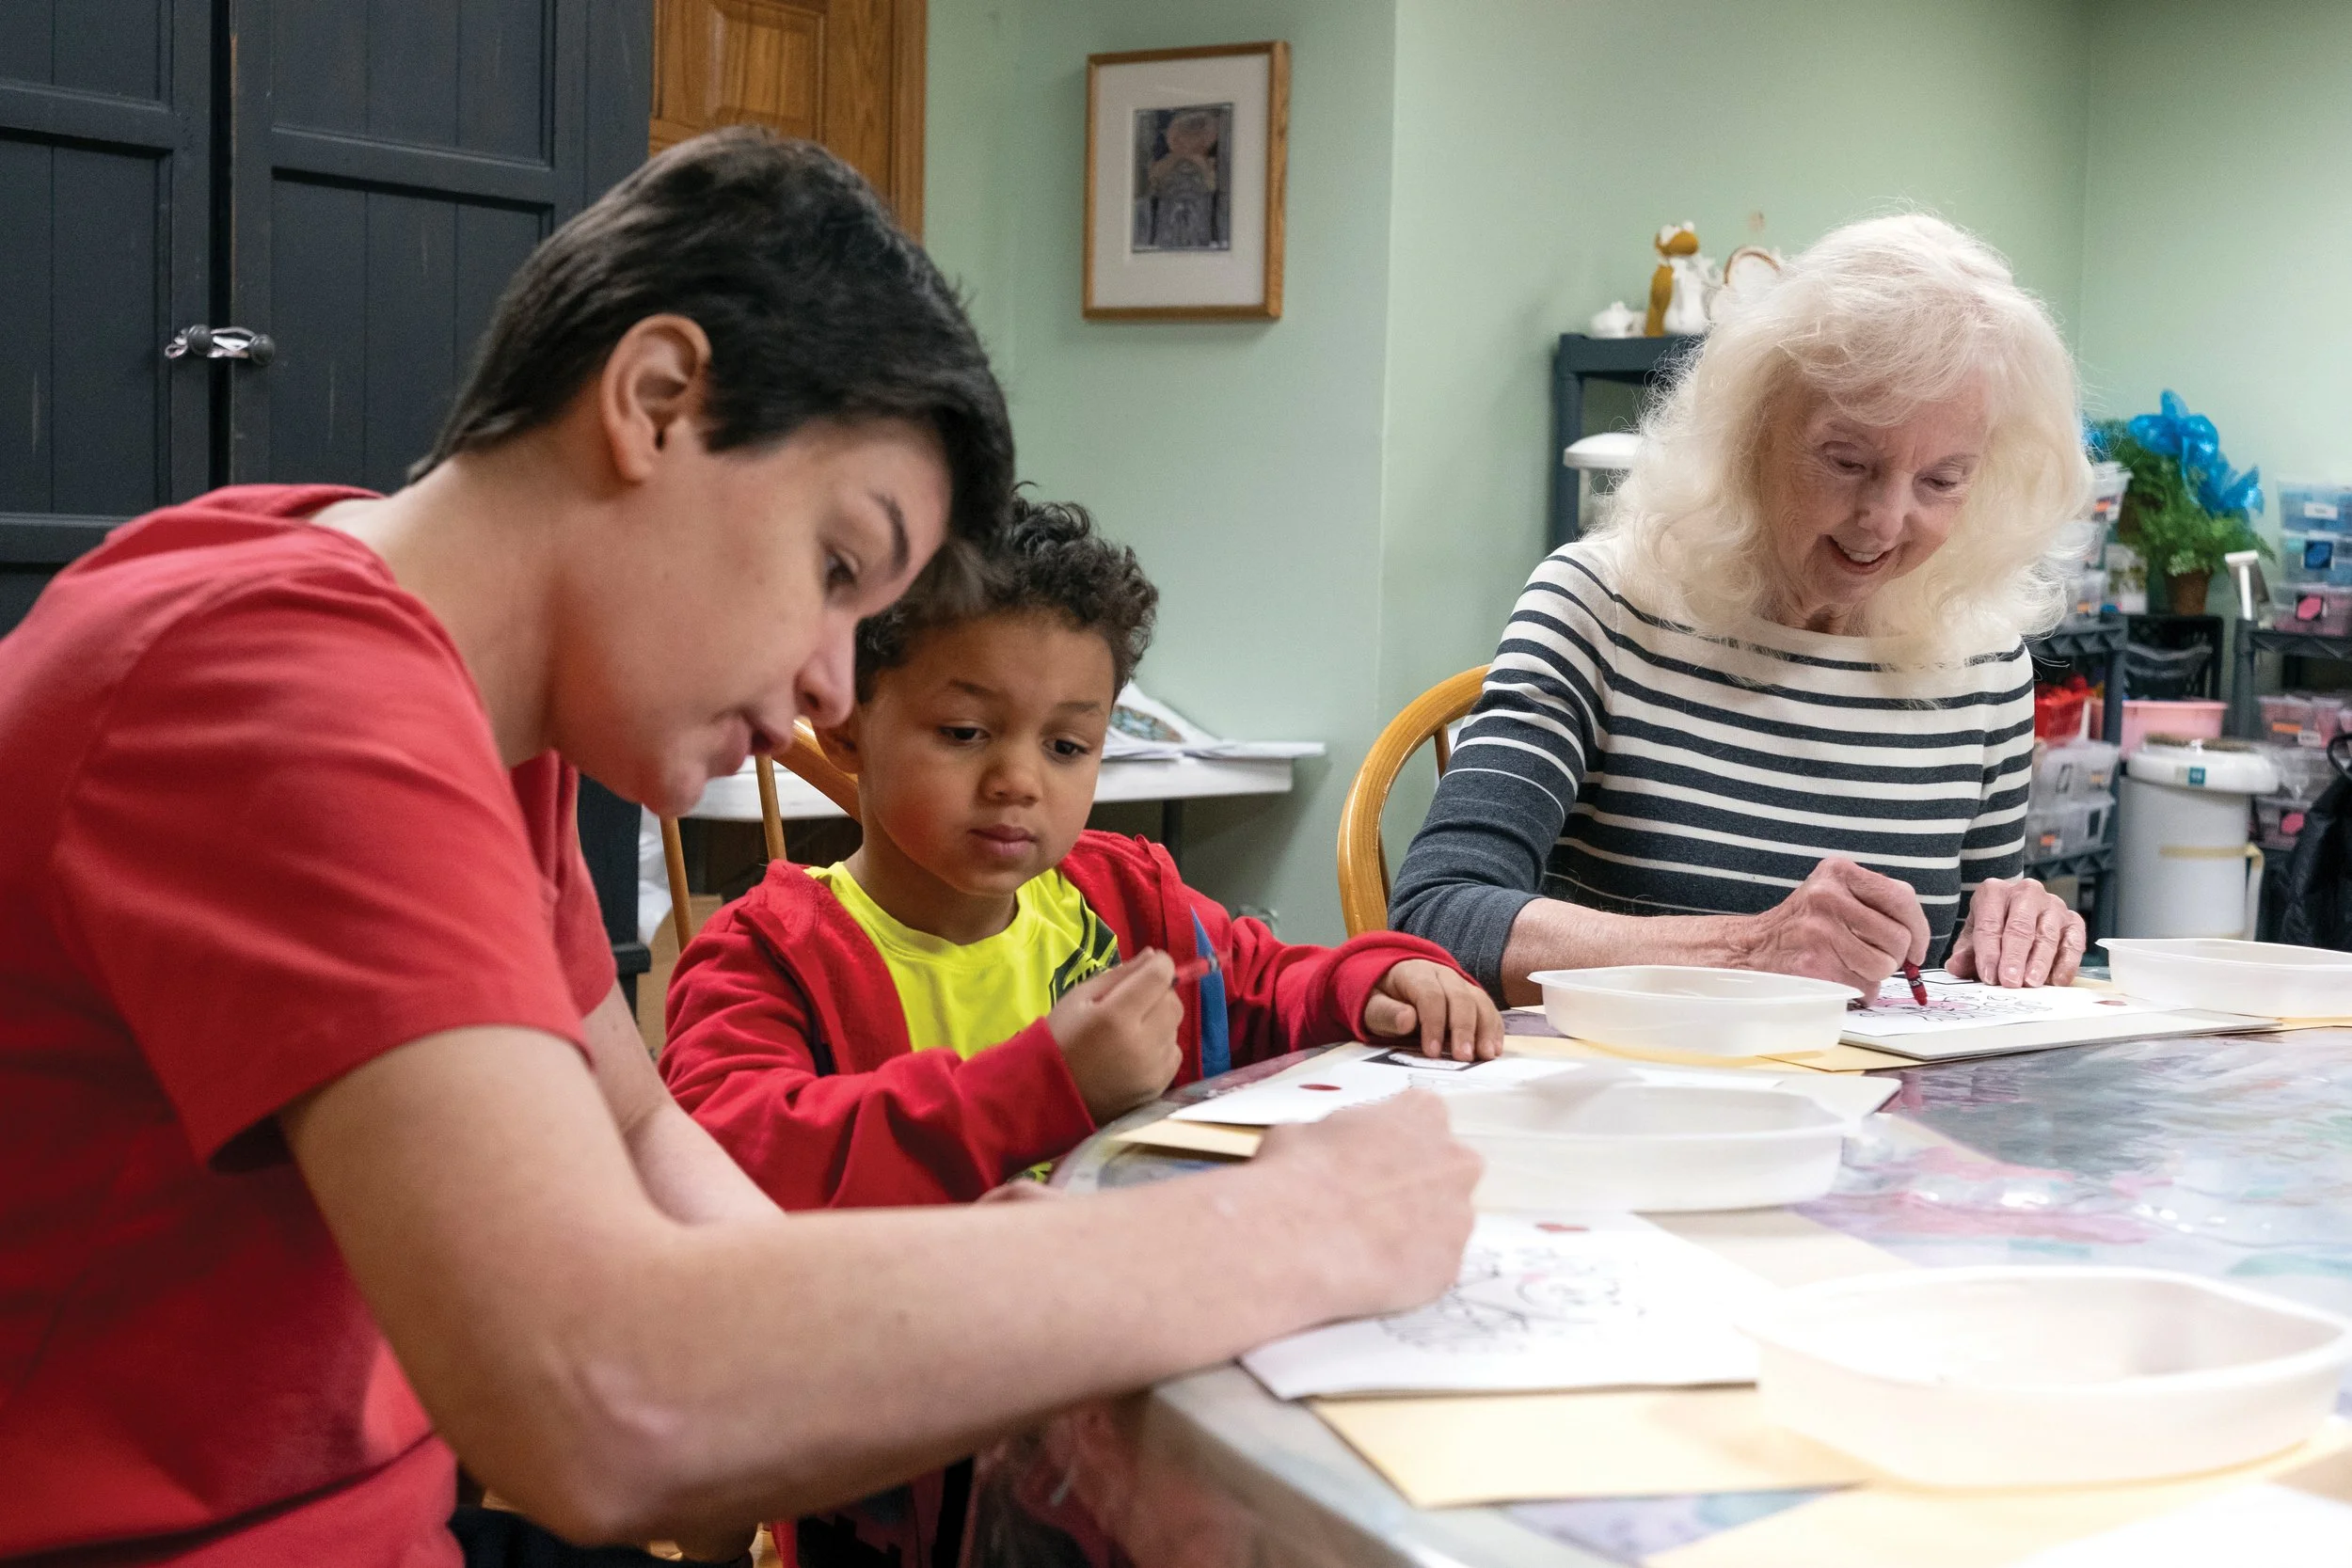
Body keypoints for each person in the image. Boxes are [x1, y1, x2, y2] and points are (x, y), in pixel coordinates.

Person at [0, 130, 1479, 1567]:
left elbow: (644, 1142)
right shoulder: (283, 684)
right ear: (655, 399)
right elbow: (593, 1395)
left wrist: (973, 1285)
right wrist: (1282, 1235)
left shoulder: (452, 706)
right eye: (837, 568)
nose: (835, 685)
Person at [661, 496, 1502, 1215]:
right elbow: (733, 1159)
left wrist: (1376, 981)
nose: (1018, 780)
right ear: (845, 724)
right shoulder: (767, 955)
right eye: (964, 733)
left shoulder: (1125, 900)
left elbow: (1263, 988)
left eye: (1068, 745)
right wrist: (1042, 1087)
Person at [1391, 214, 2090, 1006]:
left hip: (1871, 1118)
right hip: (1630, 1108)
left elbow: (1952, 976)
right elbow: (1437, 917)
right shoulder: (1603, 607)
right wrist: (1746, 949)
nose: (1886, 521)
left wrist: (2012, 931)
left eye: (1944, 480)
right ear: (1751, 429)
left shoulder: (1987, 669)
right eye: (1847, 460)